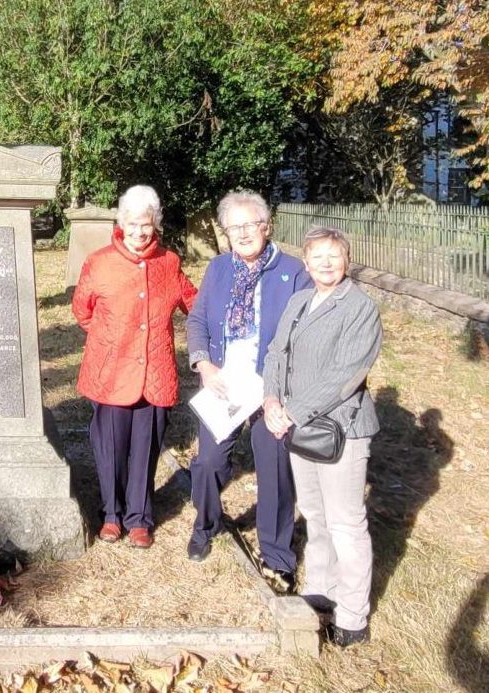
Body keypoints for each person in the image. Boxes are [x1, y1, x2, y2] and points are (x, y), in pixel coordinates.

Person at [185, 190, 312, 587]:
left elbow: (305, 335)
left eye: (249, 225)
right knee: (207, 463)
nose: (241, 233)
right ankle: (206, 523)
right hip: (226, 382)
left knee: (274, 467)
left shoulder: (293, 271)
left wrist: (278, 392)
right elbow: (197, 321)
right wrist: (204, 364)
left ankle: (277, 555)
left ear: (266, 226)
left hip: (272, 387)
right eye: (233, 227)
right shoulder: (219, 268)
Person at [263, 227, 382, 647]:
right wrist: (272, 400)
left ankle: (352, 616)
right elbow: (277, 353)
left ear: (346, 261)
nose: (326, 263)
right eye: (318, 256)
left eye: (334, 255)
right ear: (306, 262)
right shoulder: (299, 301)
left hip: (342, 430)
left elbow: (345, 376)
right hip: (298, 427)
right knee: (315, 515)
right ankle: (320, 592)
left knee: (346, 522)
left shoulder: (360, 308)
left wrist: (292, 411)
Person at [71, 185, 197, 548]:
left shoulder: (169, 262)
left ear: (155, 223)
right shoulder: (99, 261)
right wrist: (110, 341)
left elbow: (194, 303)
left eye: (146, 224)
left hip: (155, 372)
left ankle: (139, 517)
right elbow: (82, 310)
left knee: (146, 446)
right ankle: (111, 514)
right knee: (110, 445)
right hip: (110, 372)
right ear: (120, 223)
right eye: (132, 224)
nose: (139, 232)